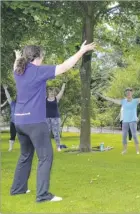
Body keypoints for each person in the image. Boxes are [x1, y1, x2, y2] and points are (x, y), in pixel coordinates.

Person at [11, 41, 96, 202]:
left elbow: (16, 65)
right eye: (42, 56)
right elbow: (65, 66)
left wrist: (17, 57)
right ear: (37, 57)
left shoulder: (18, 71)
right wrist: (82, 51)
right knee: (46, 157)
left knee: (25, 155)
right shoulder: (38, 71)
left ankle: (18, 189)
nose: (43, 59)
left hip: (19, 121)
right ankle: (43, 195)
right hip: (35, 122)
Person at [96, 88, 140, 154]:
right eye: (127, 93)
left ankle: (137, 150)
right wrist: (101, 95)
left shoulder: (135, 101)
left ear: (132, 93)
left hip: (133, 120)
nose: (128, 94)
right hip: (125, 121)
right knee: (124, 136)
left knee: (134, 135)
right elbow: (112, 100)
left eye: (129, 92)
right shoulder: (123, 101)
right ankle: (124, 150)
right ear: (126, 94)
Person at [46, 84, 66, 152]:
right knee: (46, 133)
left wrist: (63, 85)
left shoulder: (56, 99)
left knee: (56, 133)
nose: (51, 93)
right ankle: (47, 147)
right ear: (48, 92)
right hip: (47, 118)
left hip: (55, 118)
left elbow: (61, 91)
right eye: (50, 92)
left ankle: (58, 147)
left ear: (54, 93)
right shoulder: (44, 99)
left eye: (52, 92)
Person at [3, 84, 17, 151]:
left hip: (21, 123)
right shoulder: (13, 103)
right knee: (12, 135)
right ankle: (10, 148)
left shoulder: (24, 104)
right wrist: (5, 89)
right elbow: (8, 97)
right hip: (13, 122)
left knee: (25, 135)